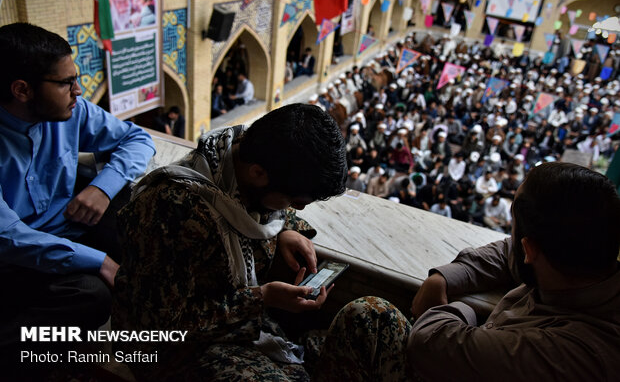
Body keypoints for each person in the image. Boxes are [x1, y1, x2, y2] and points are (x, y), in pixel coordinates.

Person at [314, 162, 620, 381]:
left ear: (531, 249)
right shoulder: (576, 266)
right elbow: (506, 252)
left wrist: (462, 309)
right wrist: (445, 277)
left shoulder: (573, 356)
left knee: (365, 314)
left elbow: (430, 341)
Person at [113, 104, 347, 380]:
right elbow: (163, 327)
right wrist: (262, 298)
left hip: (232, 326)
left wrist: (284, 230)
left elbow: (255, 209)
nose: (297, 210)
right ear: (258, 173)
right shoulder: (173, 212)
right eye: (295, 202)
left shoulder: (244, 157)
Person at [0, 23, 155, 362]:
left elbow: (138, 139)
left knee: (136, 207)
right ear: (22, 90)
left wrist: (103, 187)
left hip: (66, 227)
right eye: (66, 83)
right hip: (12, 260)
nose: (79, 90)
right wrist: (98, 262)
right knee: (91, 296)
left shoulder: (72, 113)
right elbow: (8, 237)